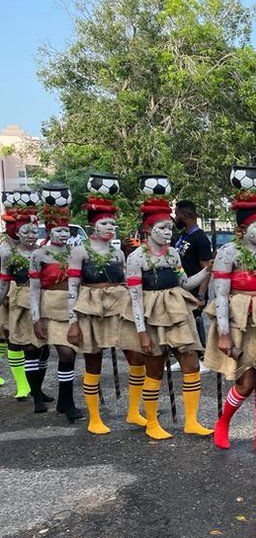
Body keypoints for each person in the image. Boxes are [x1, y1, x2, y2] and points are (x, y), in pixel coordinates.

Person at [119, 176, 213, 440]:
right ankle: (151, 423)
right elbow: (135, 297)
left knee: (191, 364)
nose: (168, 232)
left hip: (176, 311)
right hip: (151, 315)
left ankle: (191, 421)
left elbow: (185, 282)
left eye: (170, 227)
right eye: (162, 228)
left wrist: (207, 271)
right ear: (149, 230)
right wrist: (141, 332)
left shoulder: (173, 254)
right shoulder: (136, 258)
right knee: (155, 369)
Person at [66, 174, 147, 434]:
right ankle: (94, 418)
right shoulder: (80, 252)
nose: (110, 227)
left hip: (118, 305)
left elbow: (125, 280)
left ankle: (133, 412)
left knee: (136, 358)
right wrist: (73, 322)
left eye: (112, 223)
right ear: (93, 227)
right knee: (94, 361)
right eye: (105, 223)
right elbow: (72, 288)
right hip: (90, 308)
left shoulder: (117, 252)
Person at [205, 174, 256, 454]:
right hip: (240, 324)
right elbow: (220, 296)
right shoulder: (228, 253)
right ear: (243, 229)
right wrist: (224, 334)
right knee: (247, 381)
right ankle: (223, 422)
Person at [30, 183, 82, 422]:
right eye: (58, 230)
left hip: (70, 306)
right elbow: (34, 288)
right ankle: (41, 395)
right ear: (49, 232)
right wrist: (35, 317)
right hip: (48, 305)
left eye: (66, 231)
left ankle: (65, 401)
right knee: (51, 352)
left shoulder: (75, 252)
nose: (63, 234)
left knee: (69, 353)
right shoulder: (39, 255)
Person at [0, 191, 51, 409]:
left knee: (45, 347)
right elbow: (3, 282)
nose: (31, 235)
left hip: (43, 301)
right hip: (17, 300)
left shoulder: (43, 252)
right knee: (20, 342)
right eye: (25, 231)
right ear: (16, 233)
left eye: (33, 231)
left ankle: (38, 387)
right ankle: (27, 388)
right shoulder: (7, 253)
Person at [173, 199, 214, 346]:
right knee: (184, 324)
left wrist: (201, 295)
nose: (175, 218)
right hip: (182, 288)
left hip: (195, 291)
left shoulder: (200, 239)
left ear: (185, 215)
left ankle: (200, 355)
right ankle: (188, 353)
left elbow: (207, 269)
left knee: (194, 323)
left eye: (177, 214)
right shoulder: (182, 236)